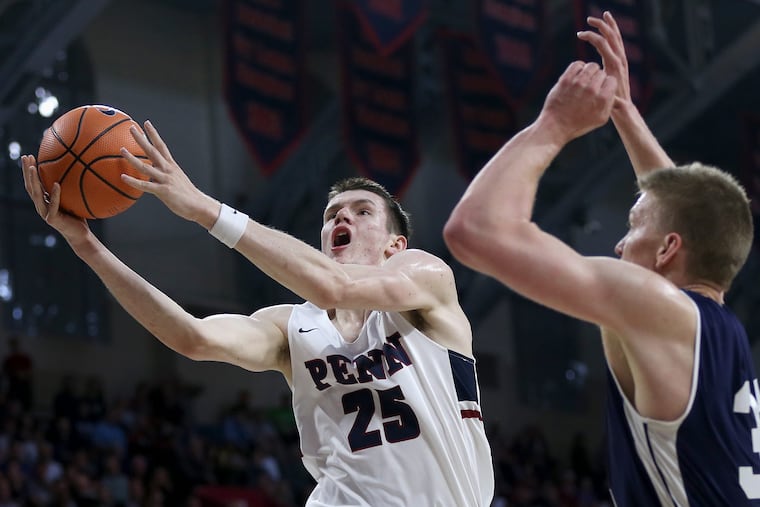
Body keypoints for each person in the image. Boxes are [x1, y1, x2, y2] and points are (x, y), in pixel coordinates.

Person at [21, 127, 494, 504]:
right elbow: (192, 338)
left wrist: (205, 209)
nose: (341, 220)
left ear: (395, 245)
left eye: (362, 211)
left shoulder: (426, 278)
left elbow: (336, 285)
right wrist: (86, 246)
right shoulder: (292, 325)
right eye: (332, 215)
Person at [444, 10, 760, 507]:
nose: (618, 244)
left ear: (668, 249)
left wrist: (553, 125)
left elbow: (475, 231)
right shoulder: (721, 330)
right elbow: (692, 217)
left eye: (632, 227)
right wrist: (625, 111)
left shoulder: (664, 311)